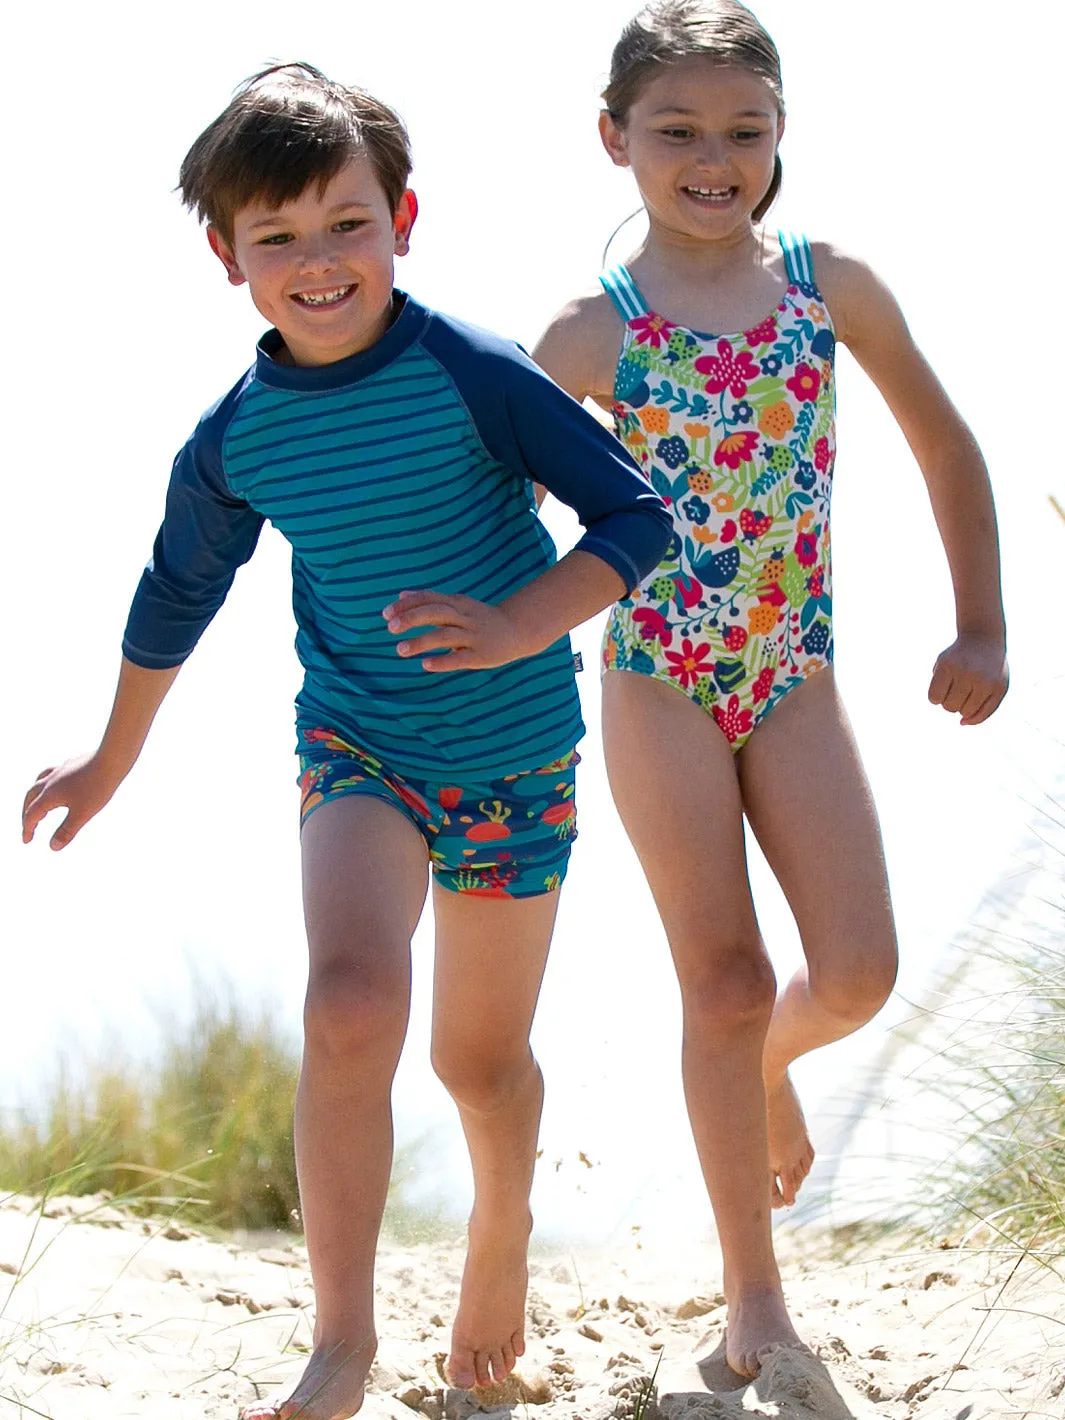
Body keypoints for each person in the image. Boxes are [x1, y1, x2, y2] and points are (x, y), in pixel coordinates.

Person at [20, 63, 671, 1420]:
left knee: (476, 1064)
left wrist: (515, 621)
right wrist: (109, 758)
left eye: (346, 223)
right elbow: (175, 594)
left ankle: (499, 1231)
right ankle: (342, 1339)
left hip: (510, 751)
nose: (318, 261)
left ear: (404, 219)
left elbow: (633, 520)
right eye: (279, 237)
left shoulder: (473, 374)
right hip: (358, 745)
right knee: (351, 1003)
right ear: (228, 257)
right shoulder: (240, 441)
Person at [533, 0, 1008, 1377]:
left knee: (857, 973)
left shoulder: (829, 285)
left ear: (782, 134)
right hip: (657, 680)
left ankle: (763, 1069)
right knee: (727, 978)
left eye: (743, 130)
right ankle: (757, 1297)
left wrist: (980, 623)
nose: (711, 157)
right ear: (614, 139)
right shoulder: (587, 335)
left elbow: (947, 443)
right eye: (676, 131)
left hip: (793, 669)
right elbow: (476, 496)